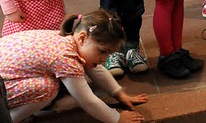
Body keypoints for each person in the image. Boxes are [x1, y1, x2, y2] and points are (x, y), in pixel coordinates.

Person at [0, 10, 148, 123]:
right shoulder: (66, 57)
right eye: (103, 52)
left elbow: (96, 69)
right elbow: (88, 101)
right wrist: (117, 118)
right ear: (82, 37)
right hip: (2, 87)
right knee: (48, 88)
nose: (104, 59)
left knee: (70, 80)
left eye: (108, 54)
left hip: (6, 76)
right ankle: (10, 118)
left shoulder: (65, 39)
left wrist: (120, 95)